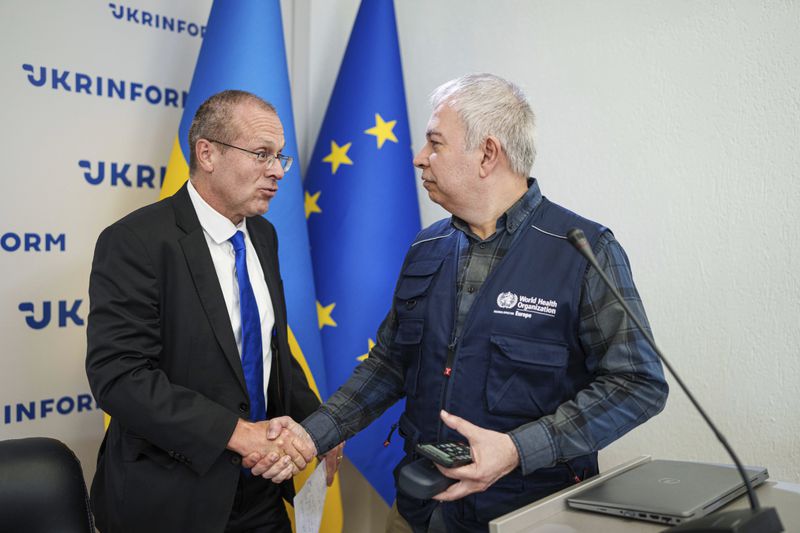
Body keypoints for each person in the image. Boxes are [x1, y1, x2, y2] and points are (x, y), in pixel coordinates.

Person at [251, 74, 670, 532]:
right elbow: (390, 365)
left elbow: (637, 383)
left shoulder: (583, 250)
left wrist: (516, 450)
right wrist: (312, 435)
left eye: (435, 143)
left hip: (526, 516)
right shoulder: (426, 248)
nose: (418, 158)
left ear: (487, 154)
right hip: (417, 511)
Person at [85, 90, 341, 533]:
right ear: (207, 153)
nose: (278, 171)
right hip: (173, 497)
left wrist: (319, 426)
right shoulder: (136, 242)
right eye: (262, 154)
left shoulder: (263, 236)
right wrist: (238, 434)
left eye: (281, 157)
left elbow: (272, 354)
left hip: (261, 489)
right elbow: (120, 377)